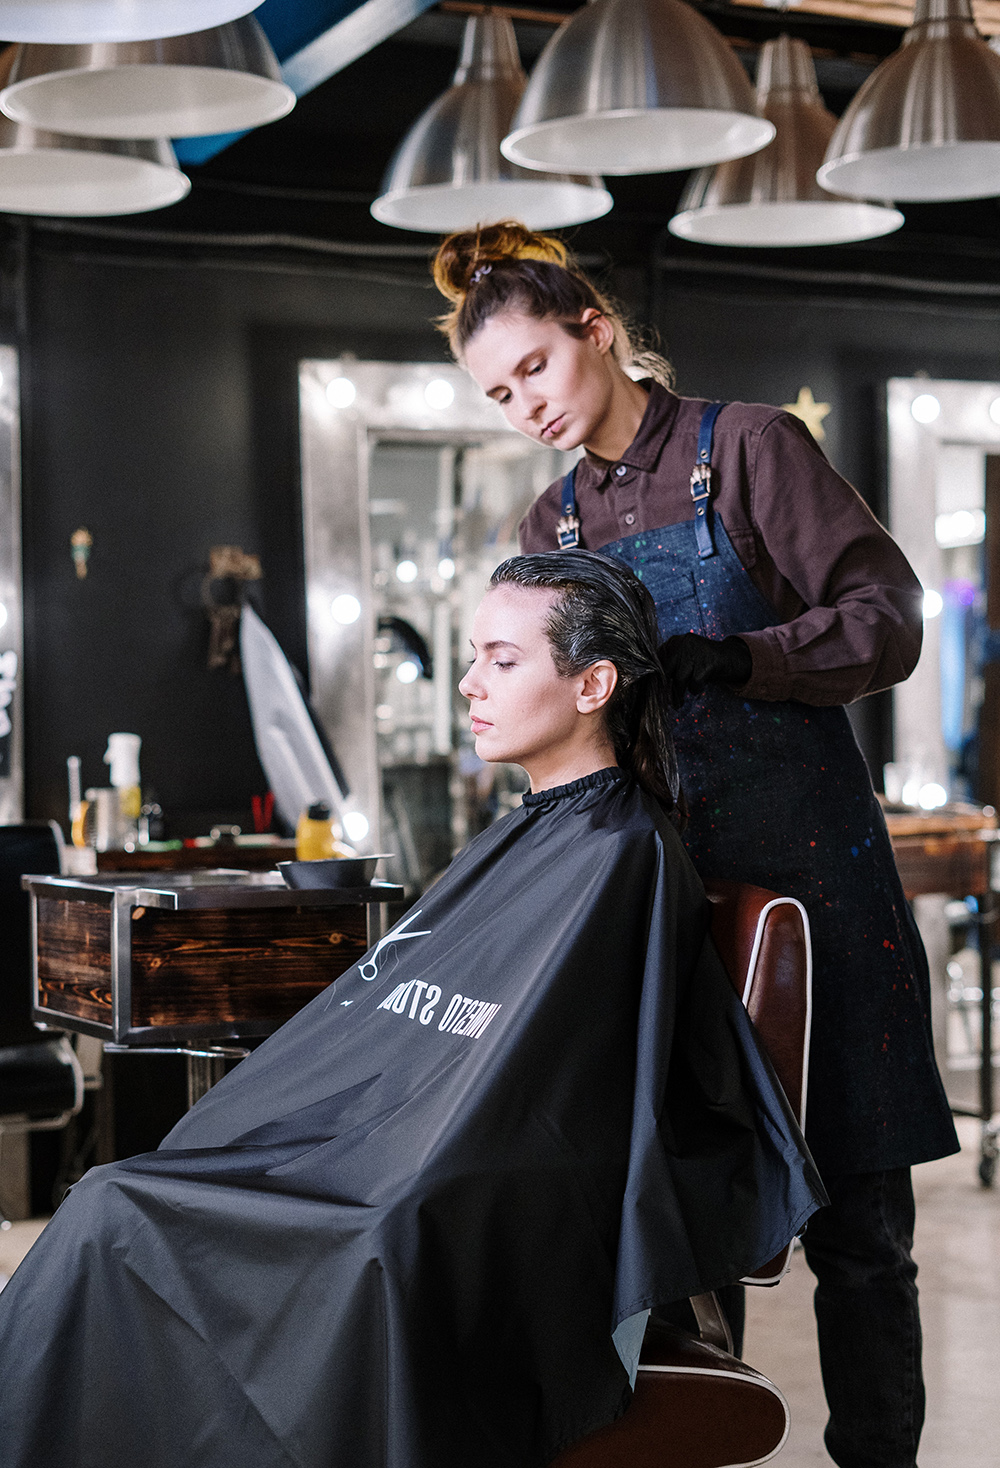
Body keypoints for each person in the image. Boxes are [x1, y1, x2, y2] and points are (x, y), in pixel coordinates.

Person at [0, 553, 822, 1468]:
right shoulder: (532, 832)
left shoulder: (621, 854)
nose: (469, 683)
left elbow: (548, 1092)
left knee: (133, 1214)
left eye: (503, 661)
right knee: (116, 1200)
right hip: (395, 1157)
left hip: (457, 1195)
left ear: (594, 683)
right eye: (475, 656)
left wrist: (390, 1171)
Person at [434, 222, 960, 1468]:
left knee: (861, 1233)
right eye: (499, 394)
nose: (526, 409)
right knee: (657, 1218)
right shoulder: (547, 518)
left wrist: (756, 657)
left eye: (535, 373)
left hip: (815, 886)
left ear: (596, 333)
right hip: (654, 899)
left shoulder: (752, 446)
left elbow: (888, 619)